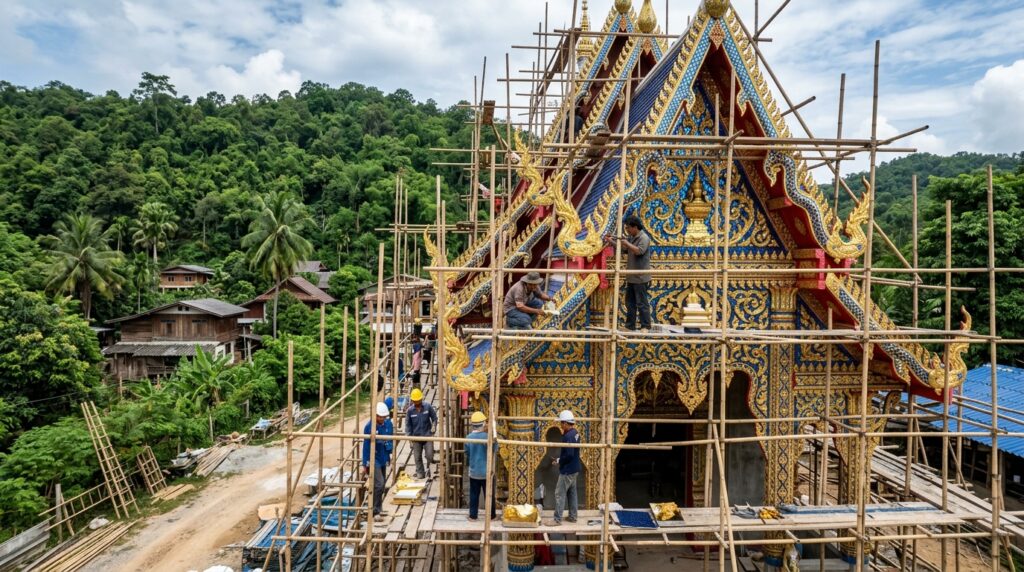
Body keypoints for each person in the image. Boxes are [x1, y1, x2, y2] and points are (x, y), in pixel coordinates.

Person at [606, 216, 653, 331]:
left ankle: (645, 326)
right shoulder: (632, 238)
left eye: (628, 228)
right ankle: (630, 326)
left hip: (640, 277)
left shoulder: (644, 238)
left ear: (635, 227)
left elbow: (639, 251)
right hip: (631, 277)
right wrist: (611, 241)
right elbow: (624, 250)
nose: (627, 230)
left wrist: (626, 242)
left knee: (642, 304)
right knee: (630, 303)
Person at [544, 410, 581, 526]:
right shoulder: (575, 433)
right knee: (572, 493)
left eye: (561, 423)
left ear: (565, 423)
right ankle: (573, 516)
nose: (561, 425)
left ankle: (557, 519)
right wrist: (559, 460)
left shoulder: (568, 436)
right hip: (575, 468)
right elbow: (571, 453)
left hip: (568, 470)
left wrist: (560, 461)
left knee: (559, 493)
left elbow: (569, 454)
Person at [361, 401, 394, 517]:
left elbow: (391, 439)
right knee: (379, 484)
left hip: (383, 456)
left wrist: (390, 454)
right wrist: (365, 463)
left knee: (382, 484)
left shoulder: (388, 424)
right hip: (373, 457)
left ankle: (378, 508)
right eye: (379, 417)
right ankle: (374, 508)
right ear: (375, 415)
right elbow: (365, 446)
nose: (381, 419)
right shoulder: (369, 427)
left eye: (383, 417)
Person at [465, 411, 499, 521]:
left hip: (474, 472)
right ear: (483, 424)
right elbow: (494, 449)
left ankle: (473, 516)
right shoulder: (487, 437)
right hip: (487, 472)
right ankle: (492, 516)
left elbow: (467, 453)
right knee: (489, 495)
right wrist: (494, 438)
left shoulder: (468, 437)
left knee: (474, 494)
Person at [405, 387, 437, 479]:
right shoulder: (410, 411)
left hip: (427, 436)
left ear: (421, 399)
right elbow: (408, 425)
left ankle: (428, 469)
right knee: (417, 457)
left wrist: (434, 425)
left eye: (418, 400)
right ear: (412, 400)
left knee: (430, 455)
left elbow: (434, 418)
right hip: (416, 437)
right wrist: (409, 439)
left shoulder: (428, 406)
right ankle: (420, 473)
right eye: (415, 401)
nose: (416, 403)